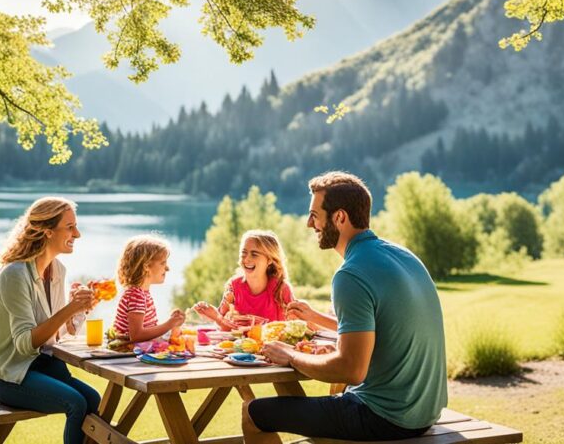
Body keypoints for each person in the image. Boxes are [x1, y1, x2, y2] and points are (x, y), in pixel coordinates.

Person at [242, 171, 448, 443]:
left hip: (384, 418)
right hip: (425, 413)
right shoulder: (405, 256)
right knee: (330, 402)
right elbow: (382, 337)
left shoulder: (351, 274)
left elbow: (352, 370)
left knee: (253, 413)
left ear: (339, 217)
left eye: (315, 215)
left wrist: (290, 355)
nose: (308, 223)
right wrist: (330, 351)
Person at [0, 197, 101, 444]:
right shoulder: (15, 274)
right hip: (9, 375)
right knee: (76, 403)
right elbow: (25, 344)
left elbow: (56, 335)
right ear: (48, 232)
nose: (77, 234)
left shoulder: (57, 270)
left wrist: (80, 309)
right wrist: (70, 307)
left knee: (93, 399)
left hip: (43, 366)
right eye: (70, 227)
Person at [192, 230, 295, 329]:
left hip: (273, 346)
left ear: (269, 260)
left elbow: (295, 328)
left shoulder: (281, 289)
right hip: (239, 347)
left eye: (254, 254)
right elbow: (224, 325)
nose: (246, 259)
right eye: (244, 253)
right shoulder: (234, 286)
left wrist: (217, 318)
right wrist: (211, 314)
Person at [112, 235, 185, 342]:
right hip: (129, 355)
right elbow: (137, 336)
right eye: (163, 263)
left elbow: (149, 331)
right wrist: (169, 324)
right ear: (146, 266)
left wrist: (173, 324)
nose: (167, 268)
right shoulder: (136, 295)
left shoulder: (141, 293)